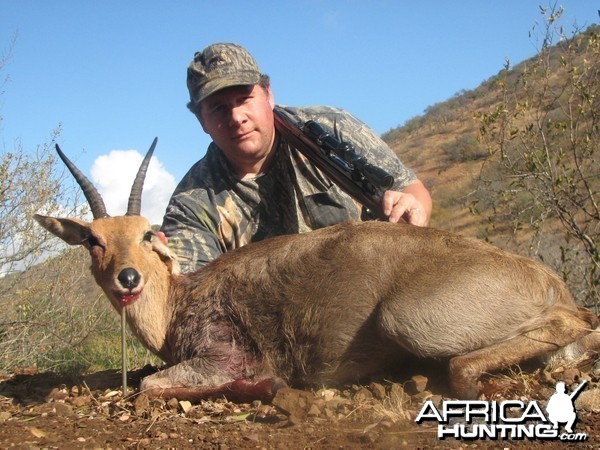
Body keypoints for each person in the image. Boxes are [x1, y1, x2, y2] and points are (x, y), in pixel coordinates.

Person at [161, 43, 432, 273]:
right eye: (218, 108)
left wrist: (412, 209)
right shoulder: (190, 205)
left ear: (268, 95)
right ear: (201, 120)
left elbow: (412, 190)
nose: (236, 118)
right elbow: (197, 293)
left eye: (244, 99)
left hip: (373, 283)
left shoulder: (331, 129)